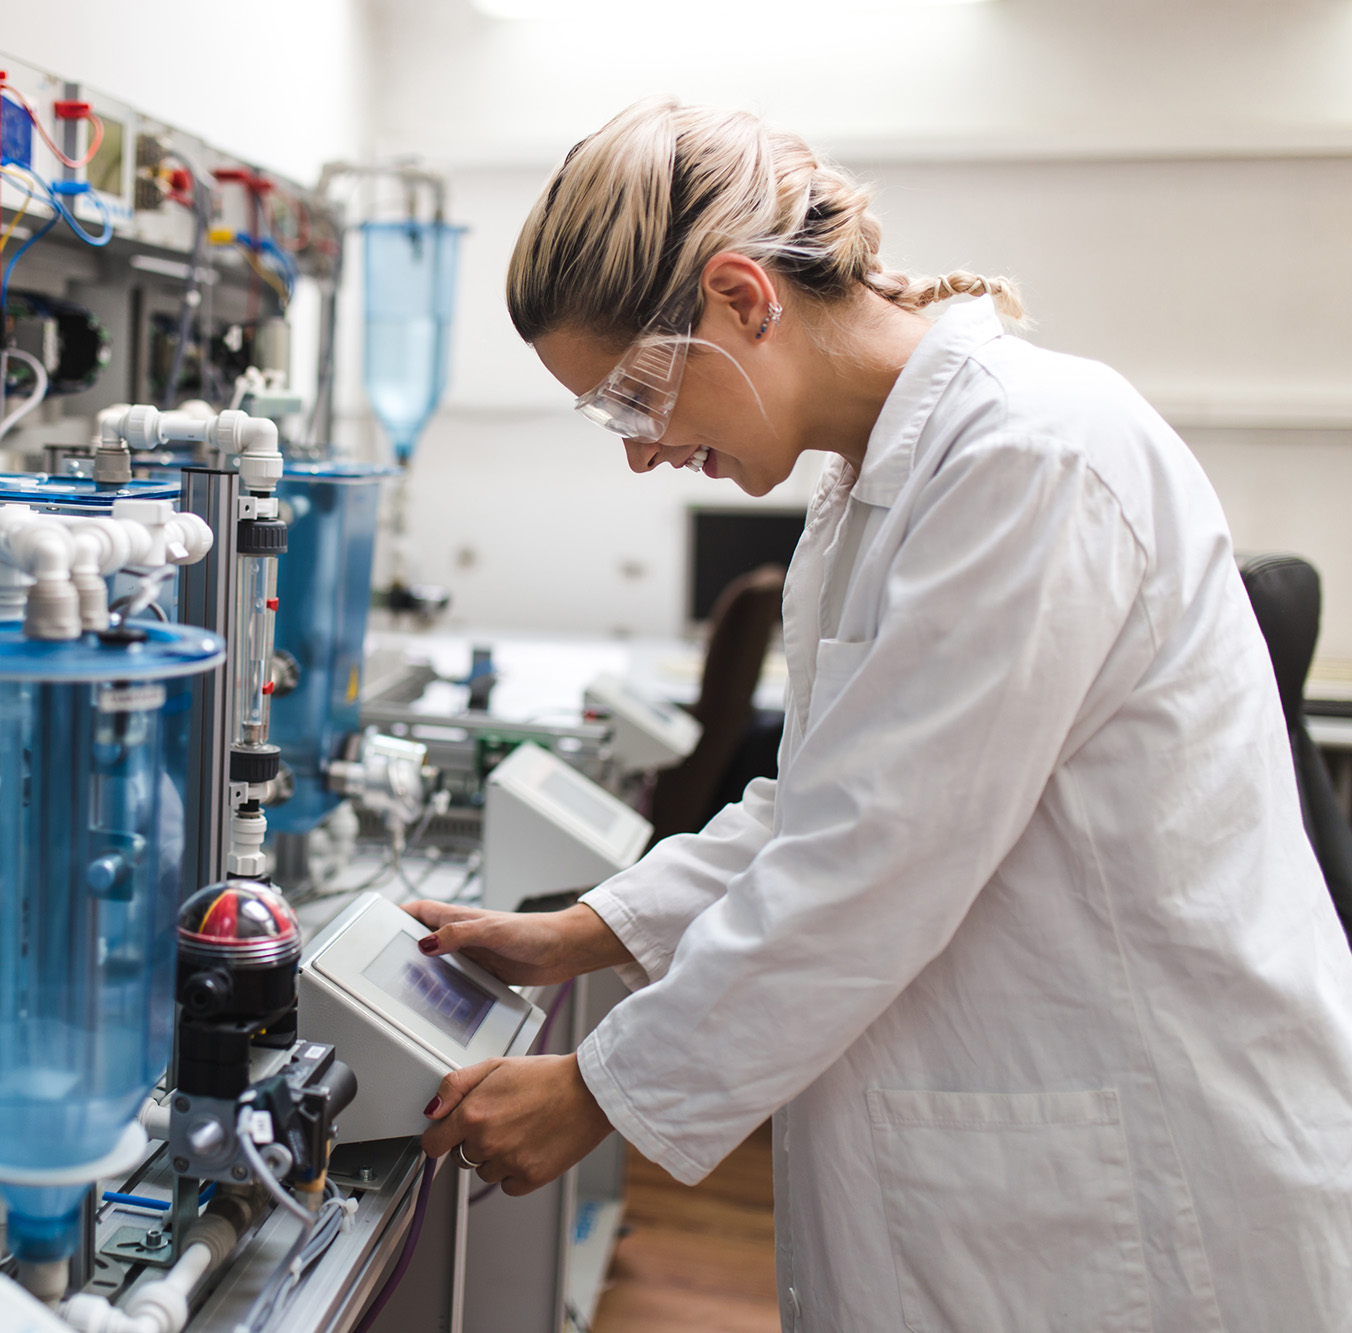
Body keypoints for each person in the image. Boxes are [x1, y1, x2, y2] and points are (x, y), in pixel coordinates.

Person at [409, 98, 1352, 1330]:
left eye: (634, 397)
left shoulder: (1031, 457)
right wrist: (580, 930)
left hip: (1142, 1172)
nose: (638, 452)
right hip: (1021, 1157)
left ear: (744, 296)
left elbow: (875, 857)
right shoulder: (870, 490)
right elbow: (826, 804)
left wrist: (600, 1088)